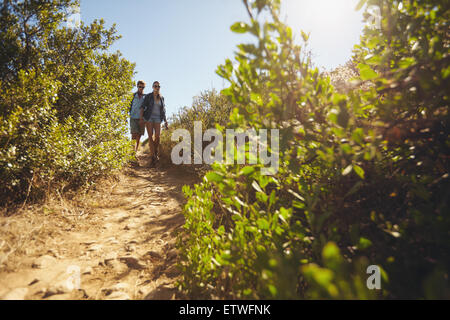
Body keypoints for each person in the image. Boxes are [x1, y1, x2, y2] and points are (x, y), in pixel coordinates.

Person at [140, 81, 168, 166]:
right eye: (155, 86)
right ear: (152, 87)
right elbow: (142, 107)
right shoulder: (148, 96)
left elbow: (163, 110)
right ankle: (153, 157)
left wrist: (166, 121)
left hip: (158, 118)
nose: (157, 87)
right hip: (149, 118)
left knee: (157, 136)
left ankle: (154, 152)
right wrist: (141, 118)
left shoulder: (161, 98)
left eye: (158, 86)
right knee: (150, 136)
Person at [129, 80, 146, 153]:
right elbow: (128, 106)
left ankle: (135, 151)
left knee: (139, 135)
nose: (141, 88)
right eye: (140, 87)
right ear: (137, 86)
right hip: (133, 117)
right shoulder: (133, 96)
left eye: (142, 87)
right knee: (134, 135)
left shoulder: (145, 97)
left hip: (142, 118)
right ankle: (132, 152)